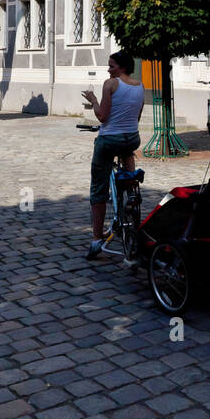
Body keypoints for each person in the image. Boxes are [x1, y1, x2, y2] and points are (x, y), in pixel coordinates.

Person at [82, 50, 145, 261]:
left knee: (98, 188)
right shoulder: (140, 85)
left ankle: (96, 238)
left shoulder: (110, 84)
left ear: (123, 67)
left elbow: (102, 116)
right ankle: (131, 190)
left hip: (110, 140)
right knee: (128, 157)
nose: (108, 70)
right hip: (131, 138)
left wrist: (92, 100)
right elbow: (136, 116)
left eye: (112, 66)